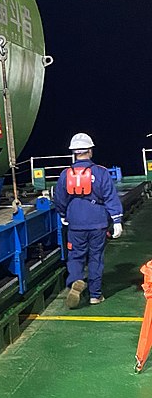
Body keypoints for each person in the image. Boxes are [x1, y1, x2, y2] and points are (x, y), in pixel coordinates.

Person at [53, 132, 123, 308]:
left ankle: (76, 280)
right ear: (90, 151)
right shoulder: (101, 172)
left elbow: (59, 199)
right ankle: (95, 295)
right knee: (95, 257)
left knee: (76, 256)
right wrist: (117, 220)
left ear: (74, 153)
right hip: (97, 221)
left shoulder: (65, 174)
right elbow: (110, 196)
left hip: (75, 221)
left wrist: (63, 215)